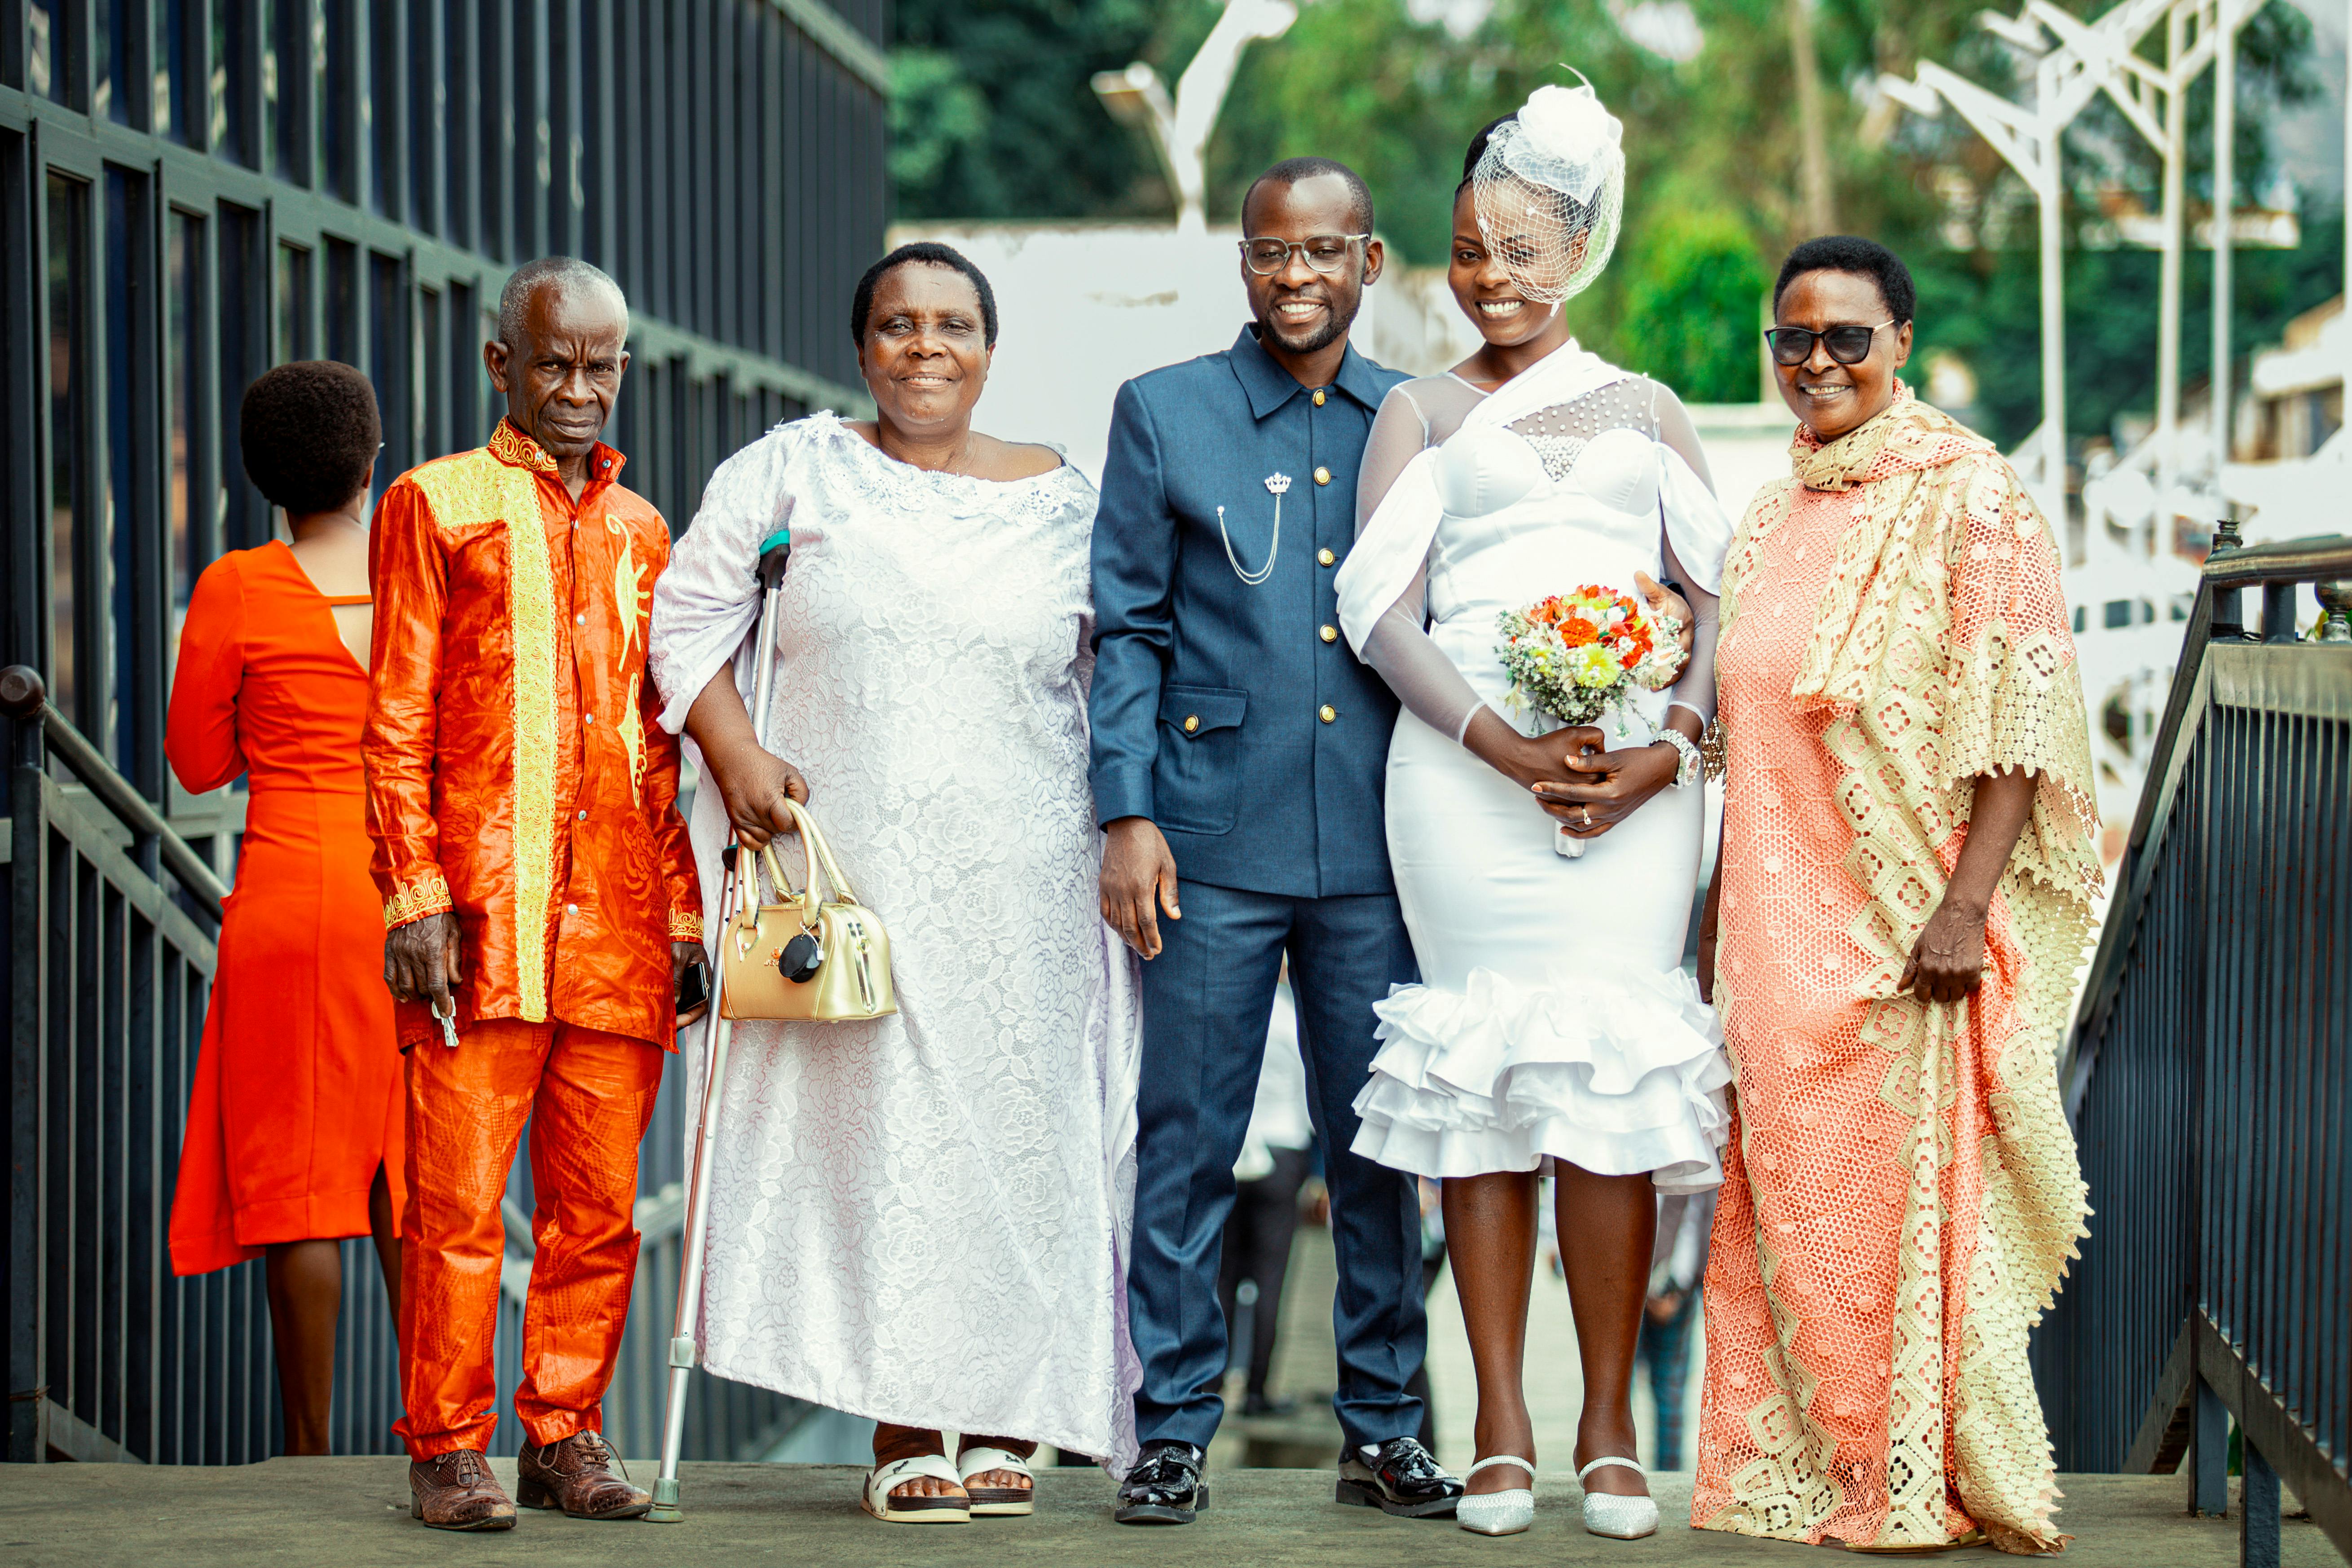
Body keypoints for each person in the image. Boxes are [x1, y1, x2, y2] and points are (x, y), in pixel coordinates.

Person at [647, 241, 1142, 1525]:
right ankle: (904, 1417)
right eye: (897, 325)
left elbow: (1119, 672)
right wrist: (736, 750)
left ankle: (1008, 1409)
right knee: (878, 1143)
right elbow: (686, 619)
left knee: (1018, 1144)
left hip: (1024, 882)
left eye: (953, 325)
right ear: (860, 346)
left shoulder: (1068, 500)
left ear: (989, 346)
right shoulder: (788, 473)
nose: (926, 347)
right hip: (847, 874)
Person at [1334, 84, 1734, 1543]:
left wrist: (1664, 748)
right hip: (1463, 786)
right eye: (1464, 249)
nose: (1486, 275)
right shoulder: (1416, 407)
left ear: (1574, 247)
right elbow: (1374, 607)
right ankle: (1498, 1422)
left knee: (1611, 1088)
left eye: (1514, 247)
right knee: (1485, 1087)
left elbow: (1708, 596)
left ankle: (1610, 1426)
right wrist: (1503, 746)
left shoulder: (1648, 408)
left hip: (1629, 796)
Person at [1691, 236, 2101, 1554]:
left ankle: (1905, 1480)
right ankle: (1812, 1476)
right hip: (1767, 928)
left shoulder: (1974, 496)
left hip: (1899, 924)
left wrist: (1965, 909)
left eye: (1847, 339)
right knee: (1790, 1222)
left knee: (1893, 1223)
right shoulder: (1769, 515)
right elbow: (1743, 726)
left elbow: (2021, 720)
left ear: (1903, 344)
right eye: (1793, 340)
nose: (1818, 363)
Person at [1092, 156, 1463, 1527]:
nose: (1294, 277)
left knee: (1382, 1150)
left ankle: (1385, 1427)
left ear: (1367, 260)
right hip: (1208, 838)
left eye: (1322, 252)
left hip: (1380, 844)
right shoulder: (1166, 413)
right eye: (1269, 254)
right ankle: (1173, 1425)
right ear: (1242, 263)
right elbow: (1127, 628)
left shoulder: (1417, 422)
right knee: (1188, 1138)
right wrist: (1127, 811)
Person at [365, 256, 706, 1530]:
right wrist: (413, 896)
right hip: (480, 923)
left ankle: (563, 1434)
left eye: (602, 365)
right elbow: (394, 713)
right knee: (455, 1201)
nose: (579, 389)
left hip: (617, 924)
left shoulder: (644, 529)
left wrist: (679, 916)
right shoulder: (433, 502)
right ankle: (448, 1448)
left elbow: (657, 744)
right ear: (500, 363)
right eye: (554, 362)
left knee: (597, 1209)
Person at [165, 361, 404, 1455]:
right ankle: (437, 1430)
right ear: (372, 461)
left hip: (289, 895)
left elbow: (199, 760)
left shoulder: (237, 587)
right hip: (415, 893)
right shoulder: (422, 574)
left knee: (305, 1184)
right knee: (413, 1168)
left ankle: (309, 1447)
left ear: (262, 475)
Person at [1220, 971, 1314, 1419]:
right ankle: (1258, 1388)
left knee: (1223, 1275)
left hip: (1239, 1148)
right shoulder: (1296, 1016)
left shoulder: (1239, 1008)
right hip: (1286, 1148)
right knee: (1271, 1278)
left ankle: (1213, 1380)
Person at [1635, 1189, 1712, 1472]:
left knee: (1671, 1392)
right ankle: (1618, 1464)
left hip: (1676, 1291)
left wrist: (1679, 1291)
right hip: (1625, 1287)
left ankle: (1668, 1471)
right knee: (1617, 1392)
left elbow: (1698, 1227)